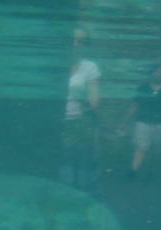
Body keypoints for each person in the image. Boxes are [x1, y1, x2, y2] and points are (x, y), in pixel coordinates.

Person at [121, 63, 161, 179]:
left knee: (157, 149)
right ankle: (133, 171)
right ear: (152, 73)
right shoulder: (144, 88)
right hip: (143, 121)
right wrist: (126, 121)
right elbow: (135, 105)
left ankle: (152, 171)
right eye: (157, 71)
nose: (159, 74)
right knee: (141, 146)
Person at [59, 26, 101, 192]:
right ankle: (62, 190)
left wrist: (90, 109)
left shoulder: (90, 67)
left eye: (81, 41)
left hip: (78, 121)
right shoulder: (55, 63)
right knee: (61, 158)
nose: (76, 44)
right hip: (56, 120)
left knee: (81, 159)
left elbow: (95, 98)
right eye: (73, 39)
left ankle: (82, 193)